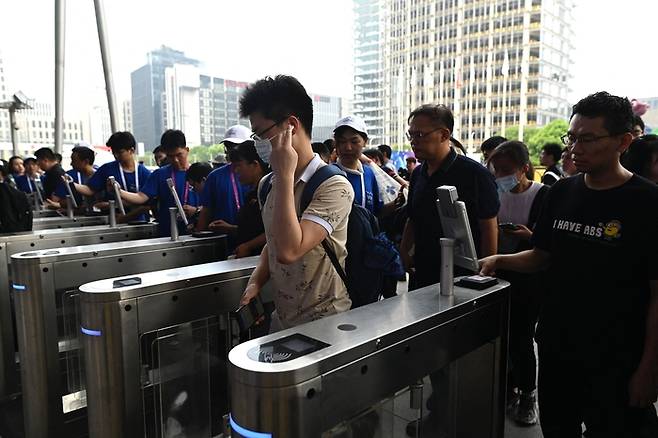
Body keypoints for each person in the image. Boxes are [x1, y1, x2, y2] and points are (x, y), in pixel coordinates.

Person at [480, 91, 658, 437]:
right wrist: (499, 259)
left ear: (623, 141)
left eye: (588, 139)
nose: (576, 148)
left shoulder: (648, 203)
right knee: (559, 428)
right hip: (557, 346)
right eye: (572, 138)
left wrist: (650, 368)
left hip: (618, 357)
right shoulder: (562, 193)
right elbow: (542, 255)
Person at [400, 104, 499, 435]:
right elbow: (413, 216)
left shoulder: (474, 174)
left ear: (444, 134)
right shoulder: (418, 173)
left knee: (455, 347)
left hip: (462, 276)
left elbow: (488, 225)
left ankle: (452, 415)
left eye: (420, 134)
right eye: (411, 134)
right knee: (429, 345)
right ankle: (438, 408)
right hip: (424, 271)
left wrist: (487, 270)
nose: (414, 141)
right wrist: (404, 249)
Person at [238, 74, 354, 330]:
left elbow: (290, 250)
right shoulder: (267, 184)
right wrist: (257, 280)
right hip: (283, 316)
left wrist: (285, 174)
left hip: (327, 318)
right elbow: (274, 240)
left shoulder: (334, 185)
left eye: (261, 134)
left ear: (291, 125)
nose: (258, 144)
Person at [488, 140, 550, 426]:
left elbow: (546, 243)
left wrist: (528, 235)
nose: (500, 176)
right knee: (503, 335)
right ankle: (508, 387)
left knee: (522, 338)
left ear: (525, 168)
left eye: (506, 170)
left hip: (528, 278)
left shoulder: (543, 195)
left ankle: (528, 394)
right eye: (496, 169)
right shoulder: (494, 194)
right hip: (497, 271)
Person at [117, 130, 199, 237]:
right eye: (170, 156)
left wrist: (196, 211)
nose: (176, 160)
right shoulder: (159, 174)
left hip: (196, 232)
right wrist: (119, 191)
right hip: (168, 234)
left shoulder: (199, 171)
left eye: (179, 155)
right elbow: (141, 197)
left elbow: (212, 204)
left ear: (187, 150)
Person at [74, 131, 152, 222]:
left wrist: (111, 204)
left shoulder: (144, 173)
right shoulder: (107, 169)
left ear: (132, 150)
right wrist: (71, 184)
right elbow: (90, 190)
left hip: (140, 222)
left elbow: (144, 202)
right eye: (113, 152)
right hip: (114, 221)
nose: (115, 155)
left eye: (120, 152)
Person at [333, 115, 402, 216]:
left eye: (354, 141)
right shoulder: (330, 174)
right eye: (342, 141)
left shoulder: (368, 173)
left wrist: (396, 203)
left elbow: (376, 211)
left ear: (365, 142)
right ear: (336, 144)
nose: (348, 147)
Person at [195, 125, 252, 244]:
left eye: (236, 146)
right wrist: (199, 236)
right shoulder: (215, 177)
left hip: (253, 241)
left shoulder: (260, 175)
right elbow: (206, 211)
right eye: (228, 146)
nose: (232, 150)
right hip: (223, 242)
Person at [229, 141, 268, 258]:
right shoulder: (251, 194)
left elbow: (276, 231)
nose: (236, 171)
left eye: (239, 166)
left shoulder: (269, 191)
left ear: (255, 165)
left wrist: (248, 246)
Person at [49, 145, 98, 211]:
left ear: (86, 161)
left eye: (74, 161)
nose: (71, 164)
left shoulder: (98, 178)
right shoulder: (80, 176)